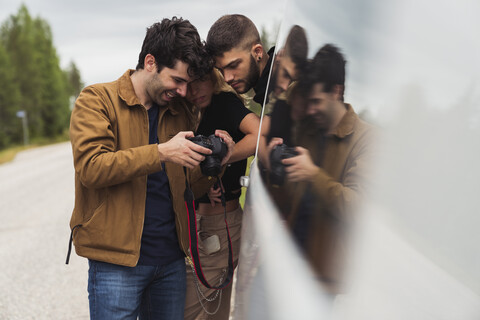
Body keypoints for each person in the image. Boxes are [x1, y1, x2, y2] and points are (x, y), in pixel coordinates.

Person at [67, 17, 234, 320]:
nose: (183, 92)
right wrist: (160, 152)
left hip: (171, 263)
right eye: (177, 80)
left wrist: (214, 164)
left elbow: (186, 188)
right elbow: (92, 168)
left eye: (187, 83)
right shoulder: (96, 99)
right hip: (116, 262)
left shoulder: (177, 112)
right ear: (150, 62)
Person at [268, 44, 376, 294]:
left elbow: (356, 207)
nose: (311, 109)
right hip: (287, 263)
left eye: (316, 102)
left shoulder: (367, 139)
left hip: (322, 283)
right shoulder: (309, 128)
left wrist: (313, 174)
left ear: (337, 92)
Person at [182, 69, 260, 319]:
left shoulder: (223, 103)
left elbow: (259, 133)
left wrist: (227, 156)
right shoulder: (192, 110)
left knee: (189, 312)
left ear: (213, 76)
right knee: (215, 309)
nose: (194, 91)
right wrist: (205, 182)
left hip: (218, 225)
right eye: (187, 84)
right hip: (201, 221)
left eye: (200, 82)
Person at [206, 14, 274, 105]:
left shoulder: (292, 92)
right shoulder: (271, 92)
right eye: (220, 70)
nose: (227, 78)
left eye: (233, 66)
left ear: (258, 52)